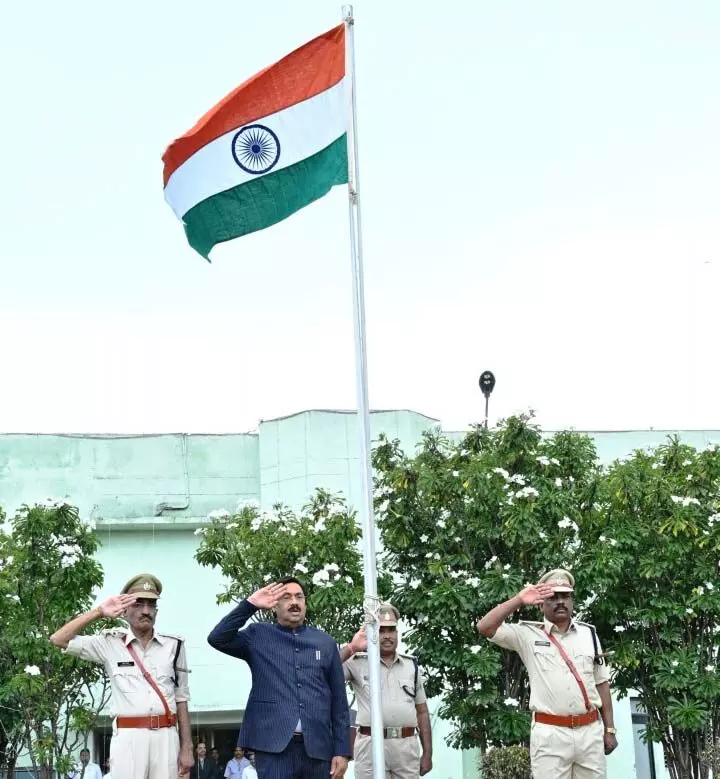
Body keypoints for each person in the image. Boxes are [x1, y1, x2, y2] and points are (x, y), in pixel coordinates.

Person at [476, 569, 618, 778]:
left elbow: (601, 683)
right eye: (553, 596)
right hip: (550, 734)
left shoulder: (589, 634)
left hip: (590, 732)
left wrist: (610, 729)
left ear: (572, 601)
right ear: (541, 603)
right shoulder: (527, 634)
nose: (560, 601)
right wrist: (519, 600)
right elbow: (485, 627)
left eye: (565, 596)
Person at [50, 573, 194, 779]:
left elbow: (182, 698)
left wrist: (187, 747)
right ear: (124, 610)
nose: (146, 611)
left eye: (151, 605)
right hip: (128, 738)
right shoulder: (109, 643)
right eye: (138, 604)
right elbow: (58, 639)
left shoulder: (175, 645)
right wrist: (99, 612)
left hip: (167, 738)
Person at [208, 577, 351, 779]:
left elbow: (339, 701)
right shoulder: (258, 635)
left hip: (318, 749)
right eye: (286, 597)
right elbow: (217, 638)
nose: (294, 602)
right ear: (274, 606)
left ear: (305, 604)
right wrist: (250, 605)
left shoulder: (325, 642)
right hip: (273, 747)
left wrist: (342, 751)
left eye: (299, 597)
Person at [340, 603, 433, 778]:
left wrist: (428, 753)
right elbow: (325, 672)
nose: (387, 636)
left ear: (397, 633)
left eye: (391, 630)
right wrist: (352, 647)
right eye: (381, 630)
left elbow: (422, 711)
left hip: (406, 747)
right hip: (370, 746)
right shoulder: (357, 661)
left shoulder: (411, 665)